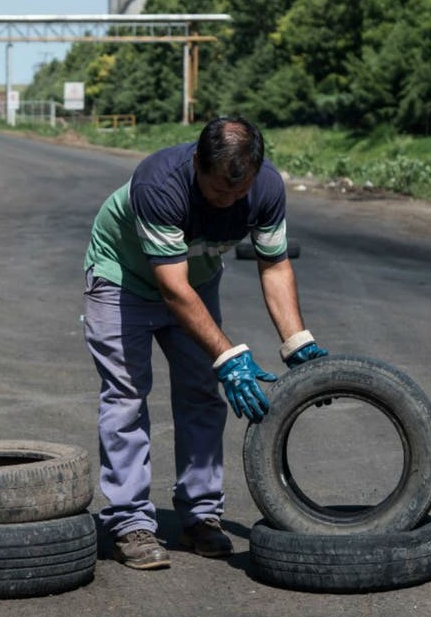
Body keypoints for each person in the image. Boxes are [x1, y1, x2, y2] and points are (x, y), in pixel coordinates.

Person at [82, 116, 327, 570]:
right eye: (218, 191)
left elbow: (273, 265)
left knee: (202, 395)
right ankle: (130, 523)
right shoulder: (160, 183)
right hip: (125, 281)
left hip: (196, 280)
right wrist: (229, 355)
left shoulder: (267, 187)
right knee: (126, 398)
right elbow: (172, 288)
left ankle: (200, 516)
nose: (228, 202)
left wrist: (297, 342)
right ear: (197, 163)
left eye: (238, 193)